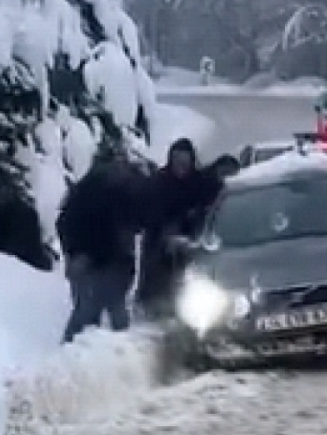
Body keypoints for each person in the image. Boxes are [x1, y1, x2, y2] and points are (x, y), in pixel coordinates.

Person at [56, 145, 153, 343]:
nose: (117, 169)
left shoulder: (128, 191)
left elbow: (142, 219)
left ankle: (118, 353)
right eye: (113, 163)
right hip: (90, 260)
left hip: (115, 261)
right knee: (87, 311)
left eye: (120, 163)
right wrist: (76, 254)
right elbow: (66, 224)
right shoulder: (87, 191)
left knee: (113, 311)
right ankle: (72, 352)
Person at [138, 138, 221, 318]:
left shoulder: (201, 183)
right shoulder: (158, 183)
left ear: (191, 160)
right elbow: (148, 216)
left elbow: (213, 207)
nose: (180, 165)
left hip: (195, 247)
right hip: (161, 251)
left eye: (184, 160)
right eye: (177, 160)